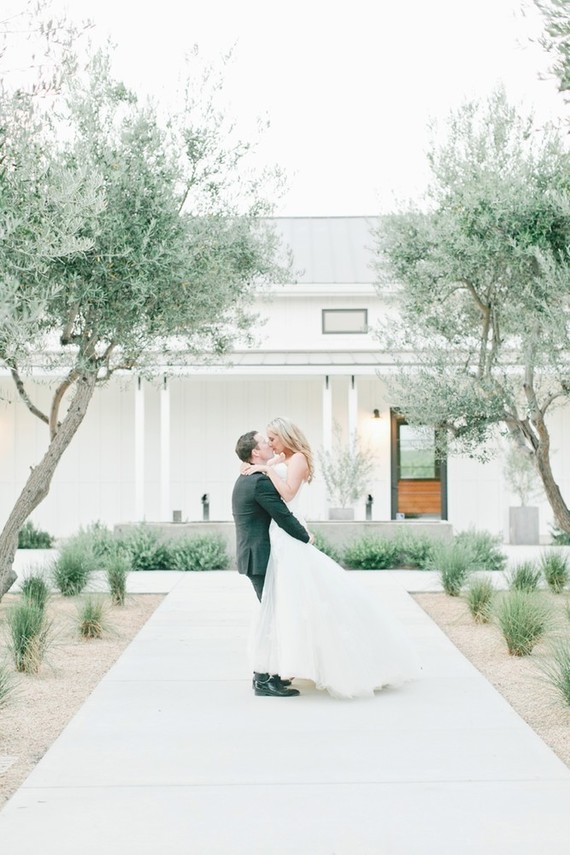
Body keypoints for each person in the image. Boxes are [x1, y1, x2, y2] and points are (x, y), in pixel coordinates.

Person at [241, 416, 420, 699]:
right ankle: (279, 667)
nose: (271, 444)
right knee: (286, 604)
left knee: (310, 597)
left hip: (290, 536)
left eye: (273, 438)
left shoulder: (298, 458)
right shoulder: (279, 460)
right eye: (268, 440)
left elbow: (287, 495)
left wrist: (265, 469)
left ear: (286, 436)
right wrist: (261, 467)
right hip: (277, 538)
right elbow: (260, 473)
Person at [232, 430, 311, 698]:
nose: (269, 444)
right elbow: (283, 515)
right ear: (255, 452)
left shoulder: (249, 475)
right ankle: (265, 679)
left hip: (253, 557)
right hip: (261, 558)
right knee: (271, 619)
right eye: (264, 442)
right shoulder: (258, 482)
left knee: (271, 617)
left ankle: (265, 676)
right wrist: (306, 537)